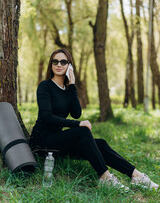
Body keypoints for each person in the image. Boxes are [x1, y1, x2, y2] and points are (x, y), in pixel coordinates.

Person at [30, 48, 159, 190]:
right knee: (83, 131)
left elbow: (76, 113)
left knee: (101, 143)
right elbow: (47, 117)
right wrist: (78, 124)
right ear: (51, 65)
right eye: (55, 61)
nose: (59, 64)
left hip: (59, 140)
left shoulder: (68, 90)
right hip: (42, 141)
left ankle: (137, 176)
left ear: (69, 65)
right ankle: (105, 178)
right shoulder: (45, 86)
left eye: (63, 61)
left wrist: (72, 85)